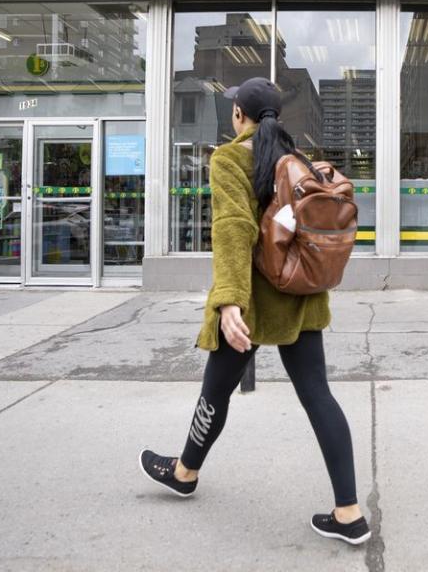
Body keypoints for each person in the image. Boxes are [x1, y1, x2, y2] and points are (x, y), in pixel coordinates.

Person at [138, 77, 370, 546]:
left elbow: (232, 230)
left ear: (239, 115)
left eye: (233, 109)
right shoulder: (298, 159)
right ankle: (349, 512)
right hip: (302, 300)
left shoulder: (229, 158)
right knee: (318, 396)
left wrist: (228, 302)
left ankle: (184, 472)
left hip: (251, 304)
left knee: (214, 393)